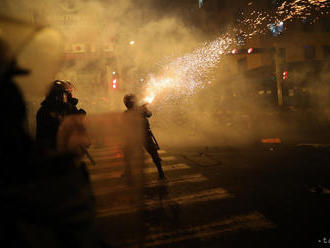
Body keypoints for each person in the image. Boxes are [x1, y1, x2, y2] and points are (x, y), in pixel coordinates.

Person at [36, 80, 86, 154]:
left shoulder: (64, 107)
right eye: (67, 93)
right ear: (60, 95)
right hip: (54, 151)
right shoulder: (48, 110)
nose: (70, 95)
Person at [123, 94, 165, 180]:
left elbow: (149, 114)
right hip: (136, 136)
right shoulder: (129, 113)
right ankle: (128, 172)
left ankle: (161, 172)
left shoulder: (134, 111)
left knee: (153, 154)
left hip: (142, 135)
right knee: (128, 154)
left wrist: (143, 109)